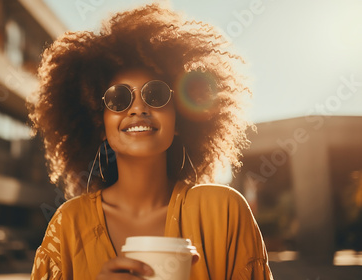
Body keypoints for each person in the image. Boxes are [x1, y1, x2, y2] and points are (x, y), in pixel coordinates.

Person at [27, 4, 273, 280]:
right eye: (118, 99)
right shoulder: (67, 226)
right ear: (98, 123)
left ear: (178, 118)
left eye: (155, 95)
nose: (138, 108)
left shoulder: (225, 212)